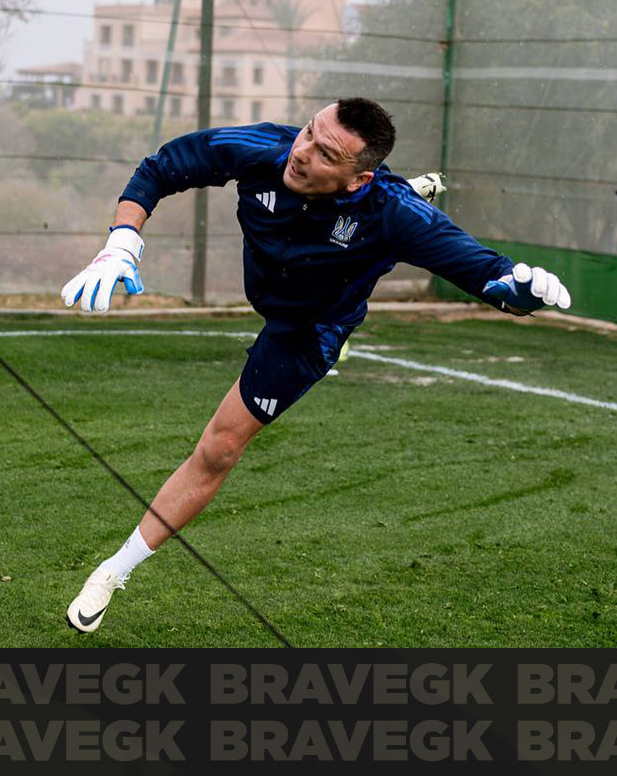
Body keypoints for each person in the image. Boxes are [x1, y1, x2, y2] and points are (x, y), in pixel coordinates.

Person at [58, 98, 571, 633]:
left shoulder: (392, 213)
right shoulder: (264, 150)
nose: (302, 153)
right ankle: (388, 211)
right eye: (308, 132)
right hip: (276, 285)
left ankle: (113, 572)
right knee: (372, 222)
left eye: (325, 153)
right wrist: (122, 240)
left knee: (219, 449)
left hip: (309, 330)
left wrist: (525, 292)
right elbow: (160, 169)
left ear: (355, 177)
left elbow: (492, 280)